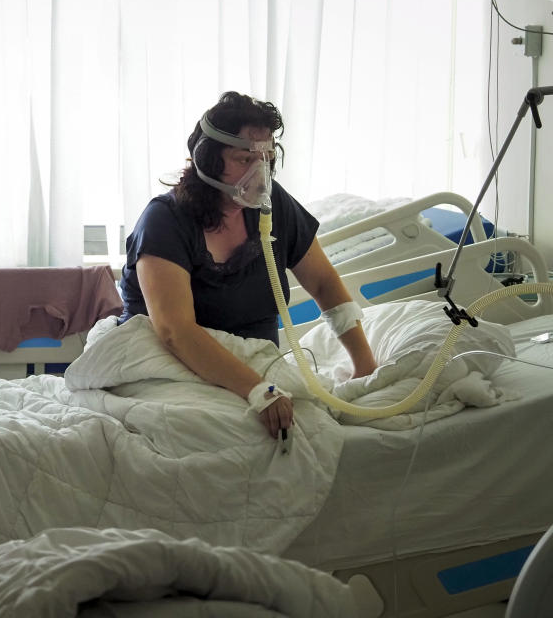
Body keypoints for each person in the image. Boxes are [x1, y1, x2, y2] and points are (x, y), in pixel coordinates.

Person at [119, 91, 377, 439]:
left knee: (309, 431)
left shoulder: (274, 208)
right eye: (244, 160)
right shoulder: (164, 221)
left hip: (254, 369)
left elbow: (323, 284)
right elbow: (174, 331)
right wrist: (259, 391)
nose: (259, 173)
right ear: (207, 161)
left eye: (267, 158)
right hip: (167, 367)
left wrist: (364, 364)